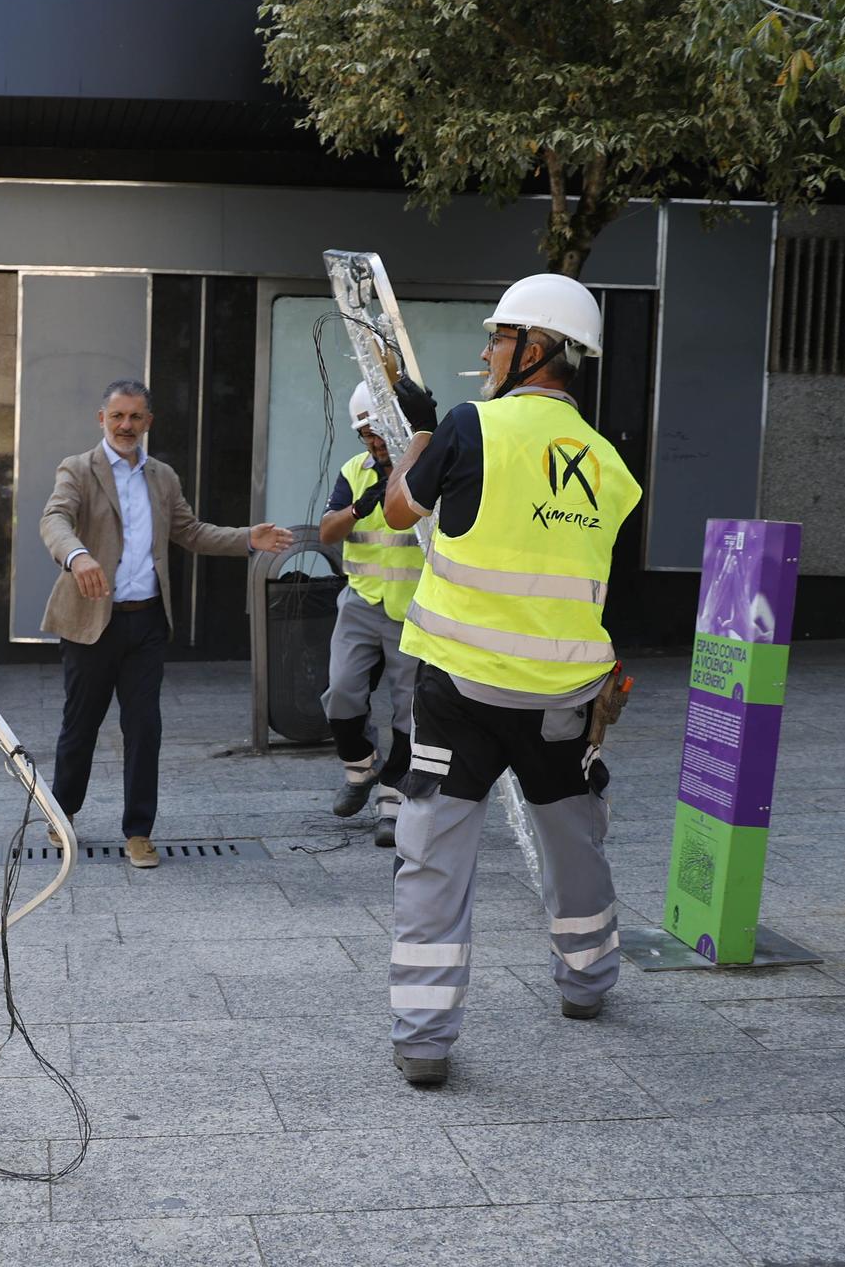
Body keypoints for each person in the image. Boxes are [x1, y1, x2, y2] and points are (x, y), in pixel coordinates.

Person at [380, 274, 641, 1089]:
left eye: (498, 338)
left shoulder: (469, 428)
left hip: (462, 690)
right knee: (573, 835)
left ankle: (424, 1038)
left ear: (536, 347)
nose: (487, 353)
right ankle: (589, 980)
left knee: (435, 850)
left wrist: (421, 435)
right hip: (564, 697)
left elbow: (397, 510)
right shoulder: (608, 465)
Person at [39, 379, 294, 868]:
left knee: (144, 728)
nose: (126, 425)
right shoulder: (78, 470)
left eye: (135, 417)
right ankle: (61, 812)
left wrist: (248, 538)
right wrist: (77, 556)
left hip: (146, 623)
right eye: (117, 417)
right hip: (93, 621)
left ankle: (138, 831)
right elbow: (55, 519)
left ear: (148, 422)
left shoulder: (163, 478)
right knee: (81, 725)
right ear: (102, 420)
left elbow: (191, 532)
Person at [317, 383, 425, 848]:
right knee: (341, 691)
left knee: (409, 709)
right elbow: (326, 532)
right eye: (366, 434)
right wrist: (361, 506)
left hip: (412, 608)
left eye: (380, 432)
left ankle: (392, 797)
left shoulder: (426, 470)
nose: (375, 442)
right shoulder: (353, 470)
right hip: (361, 599)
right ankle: (360, 766)